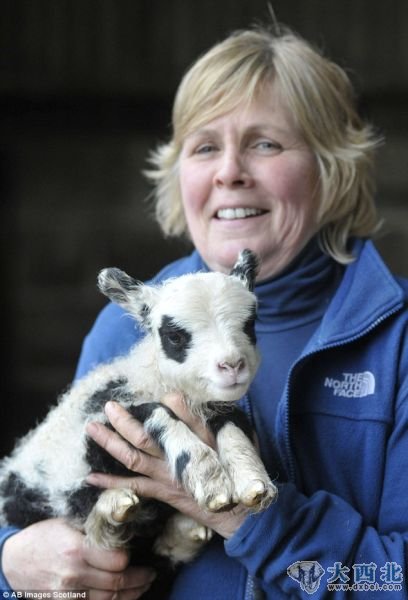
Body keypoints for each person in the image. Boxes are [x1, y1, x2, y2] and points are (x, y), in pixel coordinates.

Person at [1, 22, 408, 600]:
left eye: (265, 143)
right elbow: (51, 505)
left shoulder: (397, 341)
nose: (229, 172)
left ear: (332, 168)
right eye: (205, 147)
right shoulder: (123, 326)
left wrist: (247, 517)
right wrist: (12, 564)